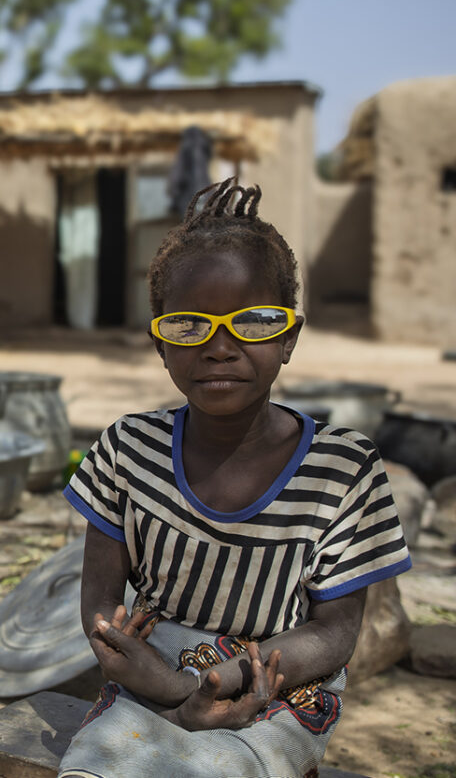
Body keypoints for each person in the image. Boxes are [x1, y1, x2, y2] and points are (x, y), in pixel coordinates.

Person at [58, 178, 411, 777]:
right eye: (189, 327)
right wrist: (151, 674)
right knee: (100, 763)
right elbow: (100, 597)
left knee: (229, 766)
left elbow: (334, 633)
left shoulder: (343, 468)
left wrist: (224, 678)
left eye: (253, 322)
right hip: (148, 670)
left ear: (289, 337)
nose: (220, 346)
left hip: (274, 687)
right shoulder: (128, 449)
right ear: (160, 345)